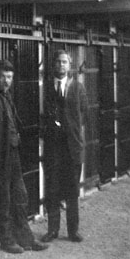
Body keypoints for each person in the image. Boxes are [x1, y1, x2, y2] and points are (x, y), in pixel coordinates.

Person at [0, 59, 47, 254]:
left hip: (12, 156)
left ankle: (26, 239)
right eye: (3, 76)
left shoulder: (7, 97)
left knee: (20, 197)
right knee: (2, 200)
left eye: (10, 77)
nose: (6, 81)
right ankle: (7, 240)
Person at [42, 49, 87, 242]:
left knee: (72, 190)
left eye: (64, 62)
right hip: (53, 147)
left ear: (70, 66)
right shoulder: (45, 88)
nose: (61, 65)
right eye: (58, 62)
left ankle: (72, 231)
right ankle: (52, 230)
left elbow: (84, 115)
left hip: (72, 147)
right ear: (53, 65)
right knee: (52, 189)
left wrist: (72, 132)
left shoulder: (78, 88)